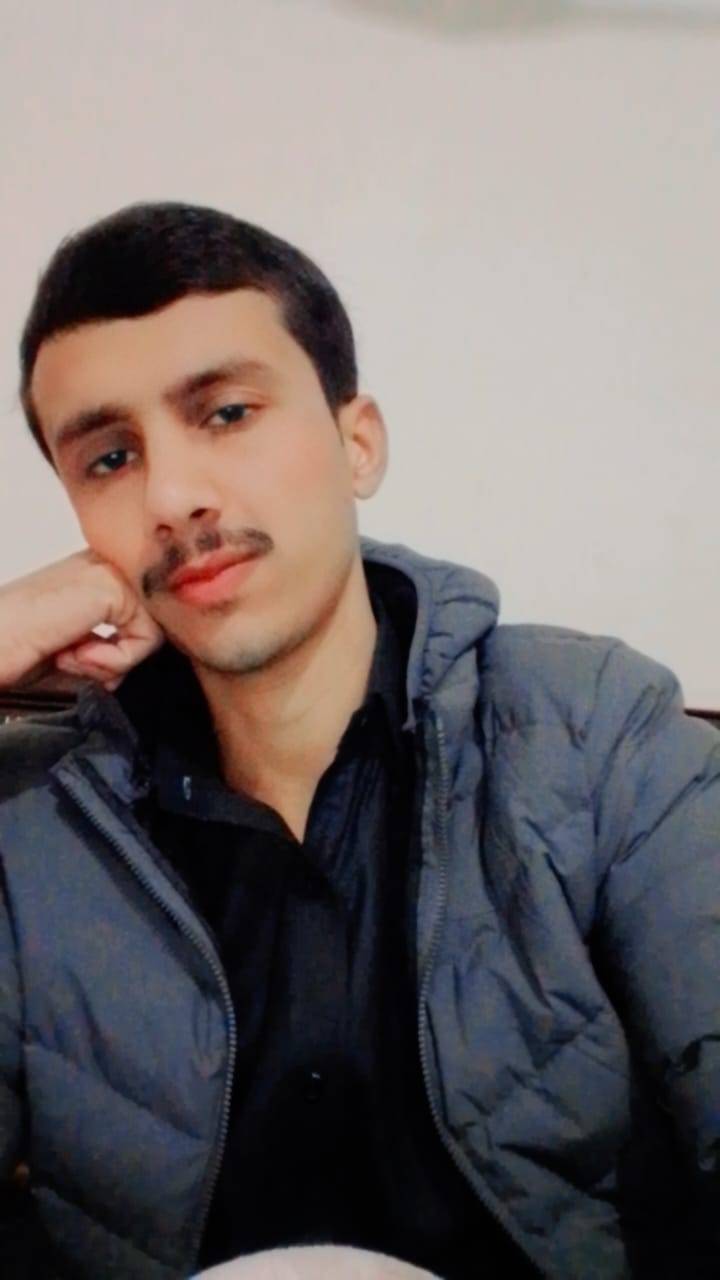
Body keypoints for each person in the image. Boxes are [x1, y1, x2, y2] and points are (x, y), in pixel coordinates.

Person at [0, 202, 717, 1280]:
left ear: (357, 441)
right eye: (109, 457)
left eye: (227, 412)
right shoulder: (31, 815)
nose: (173, 495)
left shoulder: (596, 731)